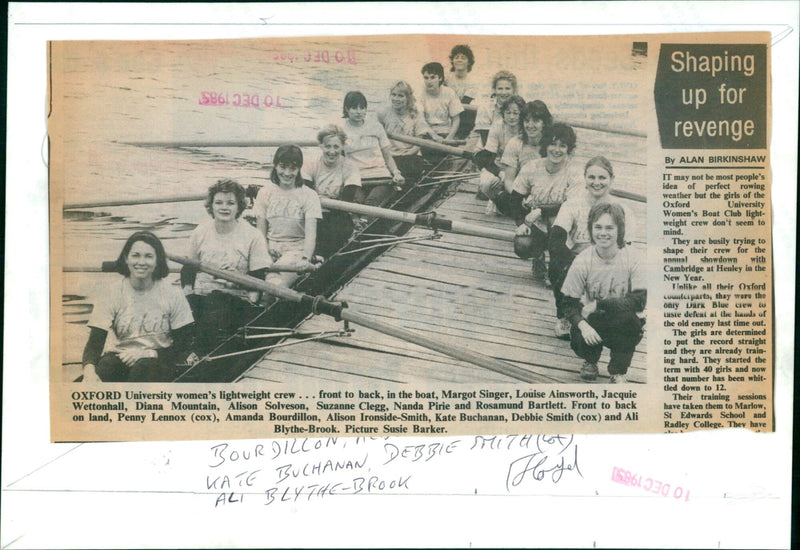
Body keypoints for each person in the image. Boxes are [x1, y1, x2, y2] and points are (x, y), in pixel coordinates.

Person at [81, 231, 196, 382]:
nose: (141, 262)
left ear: (157, 261)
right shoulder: (111, 292)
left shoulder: (173, 294)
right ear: (126, 259)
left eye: (149, 256)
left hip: (159, 360)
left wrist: (147, 353)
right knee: (106, 367)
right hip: (122, 356)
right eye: (135, 255)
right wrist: (89, 372)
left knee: (143, 368)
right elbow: (95, 344)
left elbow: (183, 348)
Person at [183, 179, 271, 354]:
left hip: (236, 302)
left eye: (230, 203)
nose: (224, 208)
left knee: (217, 300)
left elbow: (258, 282)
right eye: (219, 203)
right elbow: (188, 271)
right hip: (202, 298)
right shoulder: (200, 232)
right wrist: (187, 299)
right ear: (211, 206)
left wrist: (236, 281)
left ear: (239, 206)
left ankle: (198, 354)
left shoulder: (253, 236)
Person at [561, 203, 646, 383]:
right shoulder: (582, 260)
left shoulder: (634, 257)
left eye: (609, 228)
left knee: (631, 323)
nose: (603, 233)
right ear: (591, 229)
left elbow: (639, 301)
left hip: (622, 318)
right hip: (593, 318)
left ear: (620, 230)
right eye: (597, 227)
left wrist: (600, 304)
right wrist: (583, 327)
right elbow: (568, 303)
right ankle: (590, 360)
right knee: (580, 331)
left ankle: (618, 371)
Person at [549, 156, 621, 338]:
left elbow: (626, 245)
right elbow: (557, 237)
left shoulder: (621, 209)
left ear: (612, 179)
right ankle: (565, 315)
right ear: (585, 179)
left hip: (608, 260)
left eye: (602, 178)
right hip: (577, 260)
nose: (597, 183)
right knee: (558, 263)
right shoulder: (572, 204)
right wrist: (571, 264)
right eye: (592, 177)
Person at [511, 123, 583, 282]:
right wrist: (521, 223)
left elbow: (570, 208)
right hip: (537, 224)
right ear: (545, 145)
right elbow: (515, 200)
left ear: (568, 149)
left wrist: (541, 211)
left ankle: (558, 264)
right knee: (521, 244)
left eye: (562, 146)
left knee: (554, 221)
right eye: (552, 144)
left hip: (565, 227)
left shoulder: (574, 173)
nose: (556, 150)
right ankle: (538, 256)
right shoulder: (532, 167)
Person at [254, 145, 322, 287]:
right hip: (270, 249)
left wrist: (306, 258)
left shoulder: (309, 195)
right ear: (275, 166)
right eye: (283, 167)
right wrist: (264, 254)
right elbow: (261, 232)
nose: (287, 173)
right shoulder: (264, 192)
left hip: (296, 251)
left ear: (299, 169)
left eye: (293, 168)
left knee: (274, 283)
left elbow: (311, 236)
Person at [302, 125, 363, 259]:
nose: (332, 151)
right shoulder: (311, 163)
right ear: (321, 146)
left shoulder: (350, 166)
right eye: (327, 146)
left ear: (343, 147)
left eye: (336, 147)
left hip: (338, 212)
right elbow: (306, 194)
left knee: (334, 228)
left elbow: (347, 199)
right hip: (313, 209)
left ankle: (322, 259)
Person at [377, 80, 441, 182]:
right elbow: (378, 139)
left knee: (407, 167)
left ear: (408, 98)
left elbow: (418, 143)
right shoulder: (383, 113)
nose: (396, 99)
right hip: (390, 155)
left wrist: (407, 153)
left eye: (400, 96)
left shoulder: (415, 114)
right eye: (393, 95)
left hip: (410, 155)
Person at [475, 94, 525, 213]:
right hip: (500, 167)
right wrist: (501, 173)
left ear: (521, 114)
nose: (511, 117)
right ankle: (495, 199)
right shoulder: (497, 126)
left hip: (519, 170)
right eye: (508, 112)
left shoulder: (526, 128)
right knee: (486, 183)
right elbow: (487, 159)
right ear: (503, 113)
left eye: (515, 113)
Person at [419, 62, 464, 141]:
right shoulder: (420, 93)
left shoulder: (449, 92)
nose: (429, 81)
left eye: (433, 77)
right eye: (426, 78)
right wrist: (435, 137)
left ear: (440, 78)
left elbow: (456, 119)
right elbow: (421, 120)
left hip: (445, 132)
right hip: (427, 133)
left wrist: (449, 138)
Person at [474, 70, 518, 146]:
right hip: (488, 149)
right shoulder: (485, 108)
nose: (504, 92)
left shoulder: (519, 107)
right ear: (494, 90)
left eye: (507, 88)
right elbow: (486, 141)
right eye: (500, 89)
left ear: (513, 90)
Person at [445, 44, 478, 139]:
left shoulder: (472, 82)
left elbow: (463, 103)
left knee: (470, 113)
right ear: (452, 61)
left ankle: (458, 136)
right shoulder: (446, 78)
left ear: (469, 62)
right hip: (445, 109)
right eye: (456, 57)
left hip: (461, 112)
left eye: (463, 58)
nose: (459, 60)